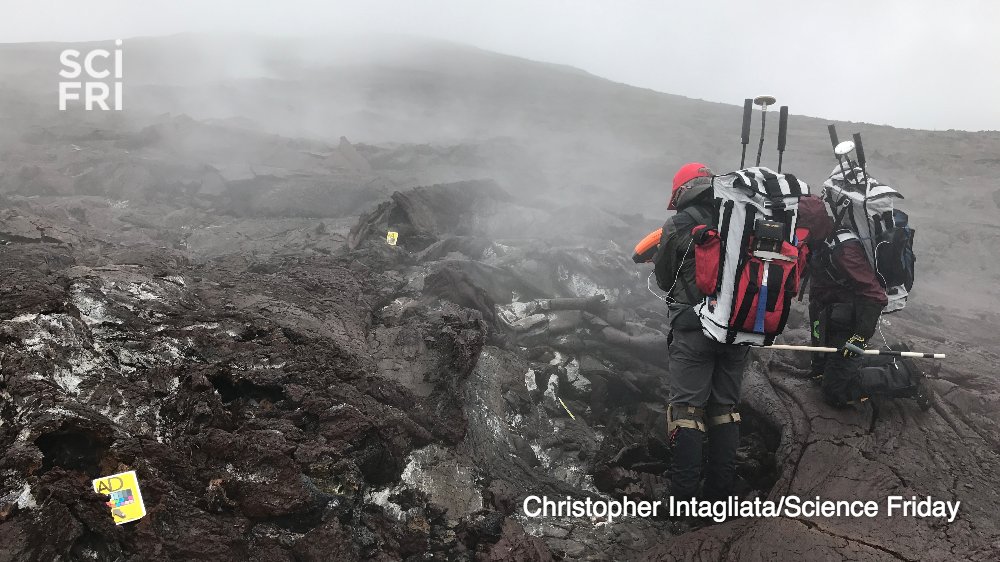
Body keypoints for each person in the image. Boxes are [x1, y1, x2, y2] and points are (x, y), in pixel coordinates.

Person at [653, 162, 748, 502]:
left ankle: (682, 501)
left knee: (688, 414)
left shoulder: (679, 223)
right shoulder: (741, 218)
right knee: (725, 409)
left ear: (682, 192)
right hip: (738, 331)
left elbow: (664, 278)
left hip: (694, 332)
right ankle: (720, 497)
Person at [797, 195, 919, 406]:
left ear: (813, 223)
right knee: (821, 372)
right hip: (827, 316)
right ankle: (893, 354)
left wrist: (860, 337)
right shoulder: (819, 241)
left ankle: (906, 375)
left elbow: (875, 294)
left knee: (836, 391)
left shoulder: (844, 250)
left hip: (846, 321)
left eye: (802, 227)